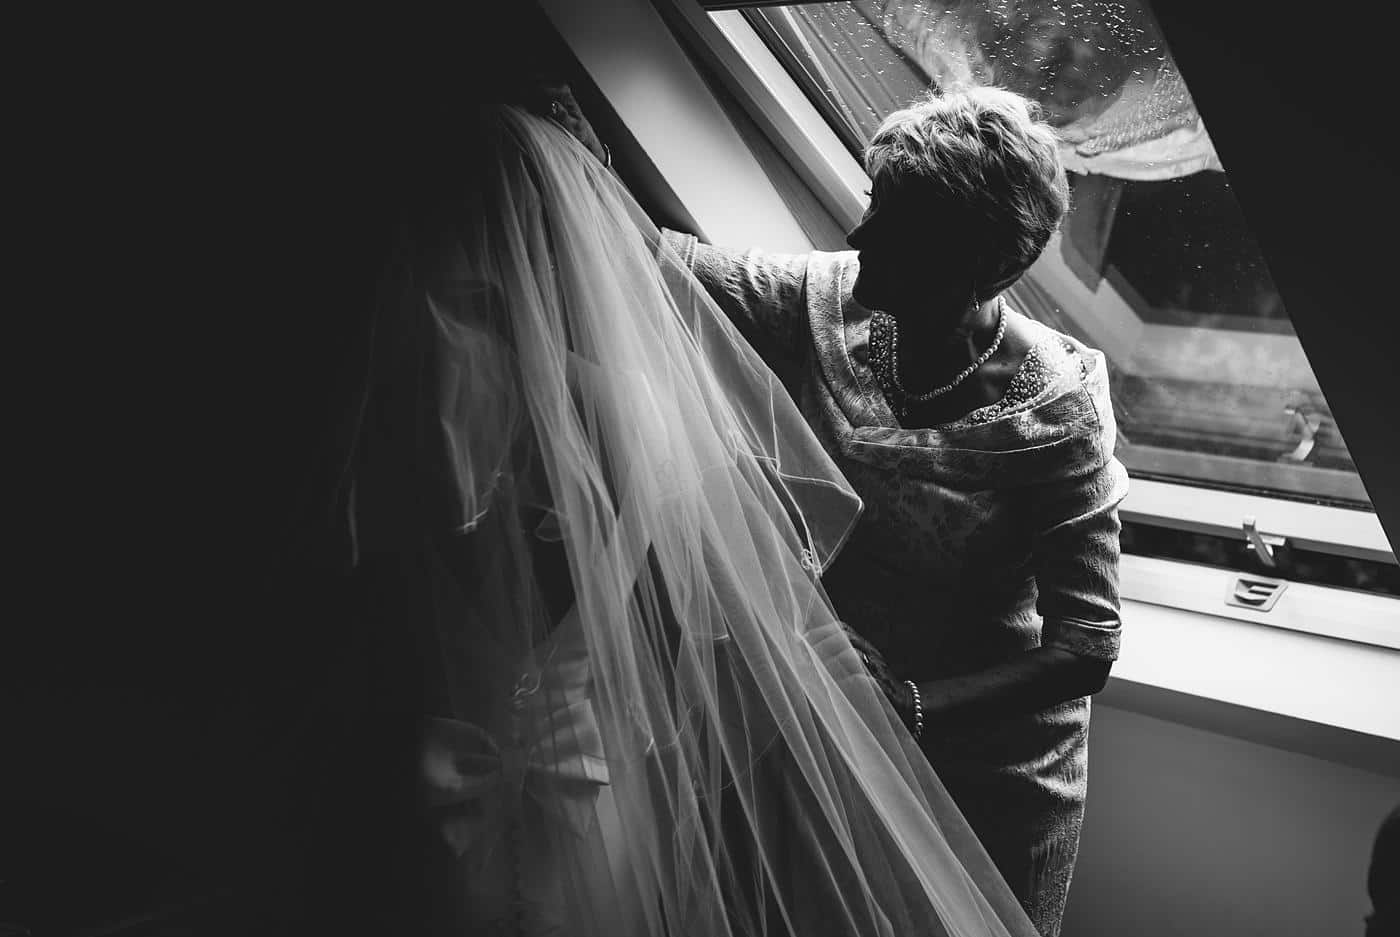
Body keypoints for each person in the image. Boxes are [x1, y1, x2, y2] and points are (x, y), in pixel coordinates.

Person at [349, 101, 1045, 936]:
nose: (859, 236)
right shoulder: (655, 406)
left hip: (434, 776)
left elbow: (395, 594)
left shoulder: (419, 394)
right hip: (601, 804)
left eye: (888, 221)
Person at [555, 85, 1127, 937]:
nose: (861, 237)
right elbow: (649, 261)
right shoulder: (814, 306)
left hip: (991, 775)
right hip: (836, 740)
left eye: (898, 228)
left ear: (982, 269)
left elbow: (1087, 645)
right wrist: (569, 150)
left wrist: (913, 702)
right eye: (874, 205)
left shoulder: (1058, 412)